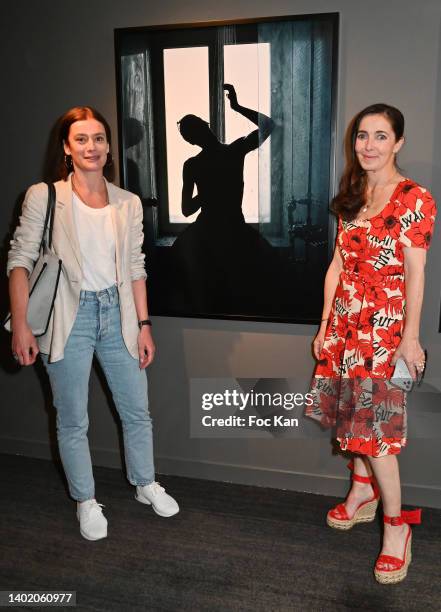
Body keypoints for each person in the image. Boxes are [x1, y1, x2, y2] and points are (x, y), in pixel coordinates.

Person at [7, 106, 179, 541]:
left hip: (118, 314)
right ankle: (85, 499)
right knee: (72, 419)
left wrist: (143, 324)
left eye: (99, 138)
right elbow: (20, 260)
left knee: (137, 411)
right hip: (69, 316)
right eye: (81, 139)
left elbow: (136, 267)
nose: (92, 147)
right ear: (66, 147)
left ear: (108, 146)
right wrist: (23, 325)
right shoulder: (44, 196)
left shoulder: (127, 202)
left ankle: (144, 483)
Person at [306, 103, 436, 584]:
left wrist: (410, 338)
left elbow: (416, 274)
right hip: (345, 325)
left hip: (383, 332)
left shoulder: (414, 199)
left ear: (398, 142)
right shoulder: (355, 195)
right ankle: (362, 487)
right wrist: (324, 325)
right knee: (349, 416)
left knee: (377, 435)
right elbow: (337, 267)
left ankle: (397, 528)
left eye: (381, 136)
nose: (369, 145)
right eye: (363, 135)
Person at [170, 83, 279, 315]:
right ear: (193, 140)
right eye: (193, 133)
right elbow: (187, 209)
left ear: (205, 126)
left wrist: (237, 106)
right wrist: (208, 194)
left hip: (226, 231)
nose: (199, 133)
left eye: (197, 128)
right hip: (215, 232)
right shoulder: (220, 156)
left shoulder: (228, 153)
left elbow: (269, 125)